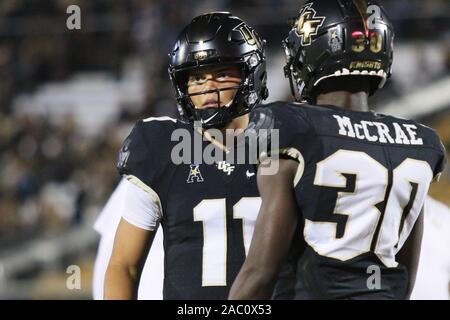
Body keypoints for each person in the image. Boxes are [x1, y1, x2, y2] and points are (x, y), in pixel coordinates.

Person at [229, 0, 447, 300]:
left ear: (316, 52)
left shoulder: (293, 128)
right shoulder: (421, 142)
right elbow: (405, 272)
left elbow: (260, 272)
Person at [104, 12, 269, 299]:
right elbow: (123, 266)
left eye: (220, 74)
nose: (207, 87)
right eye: (196, 77)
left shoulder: (287, 141)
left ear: (250, 73)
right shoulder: (160, 148)